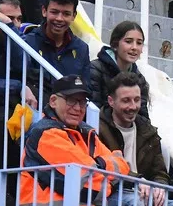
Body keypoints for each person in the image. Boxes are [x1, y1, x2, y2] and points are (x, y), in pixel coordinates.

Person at [18, 73, 131, 204]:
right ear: (53, 101)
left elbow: (122, 166)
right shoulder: (46, 133)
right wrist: (111, 178)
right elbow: (89, 186)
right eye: (71, 100)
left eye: (82, 102)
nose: (77, 108)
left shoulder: (87, 133)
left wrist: (99, 164)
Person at [97, 71, 168, 187]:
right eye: (126, 101)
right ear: (111, 101)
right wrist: (137, 181)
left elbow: (160, 173)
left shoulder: (148, 130)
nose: (133, 106)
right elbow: (108, 170)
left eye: (137, 100)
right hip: (114, 192)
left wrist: (159, 188)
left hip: (145, 193)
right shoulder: (97, 129)